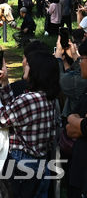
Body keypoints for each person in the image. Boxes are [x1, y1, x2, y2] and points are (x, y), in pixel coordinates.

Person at [0, 50, 60, 198]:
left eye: (28, 64)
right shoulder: (47, 97)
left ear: (36, 72)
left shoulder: (27, 100)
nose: (24, 65)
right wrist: (5, 83)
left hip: (21, 165)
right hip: (42, 165)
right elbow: (15, 112)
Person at [65, 41, 87, 197]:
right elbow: (71, 126)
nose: (80, 63)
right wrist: (78, 122)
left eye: (82, 59)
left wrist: (80, 124)